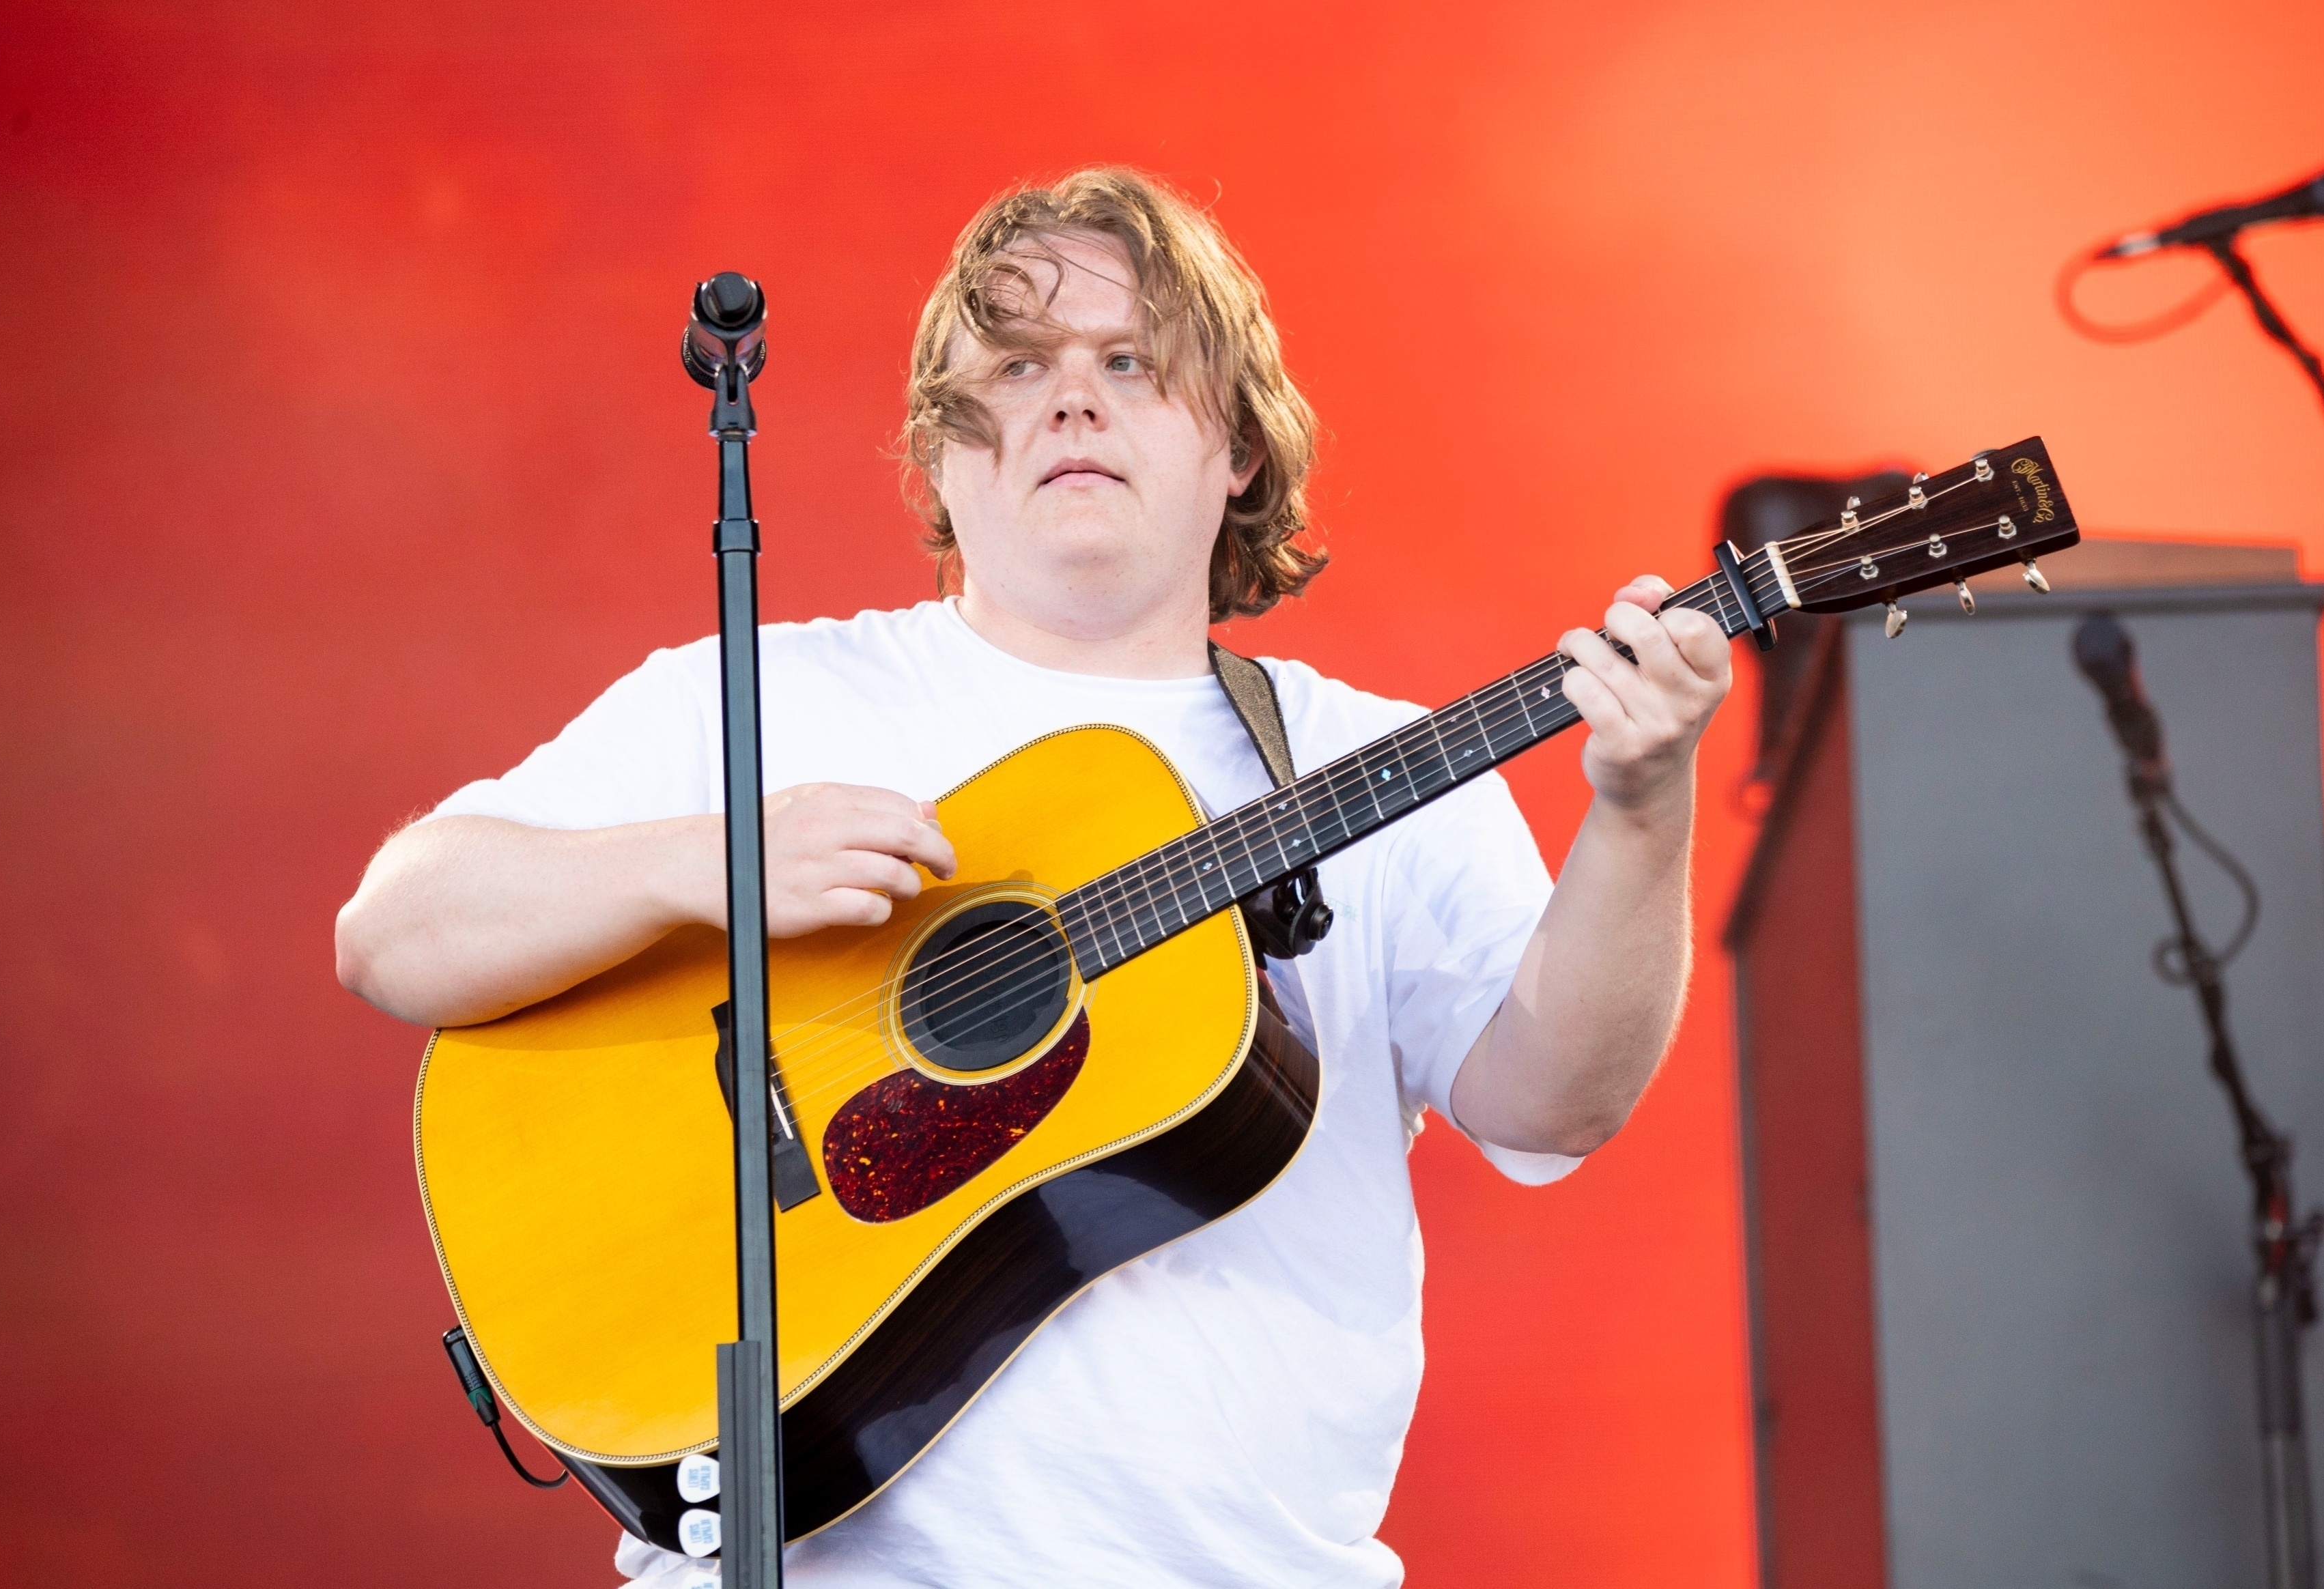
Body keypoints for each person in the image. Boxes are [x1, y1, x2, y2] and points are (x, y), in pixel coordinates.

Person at [335, 167, 1730, 1587]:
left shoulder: (1363, 763)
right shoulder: (751, 698)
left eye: (1131, 361)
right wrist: (717, 863)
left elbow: (1558, 1100)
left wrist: (1639, 803)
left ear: (1236, 448)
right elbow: (397, 931)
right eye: (1016, 366)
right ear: (943, 456)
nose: (1073, 400)